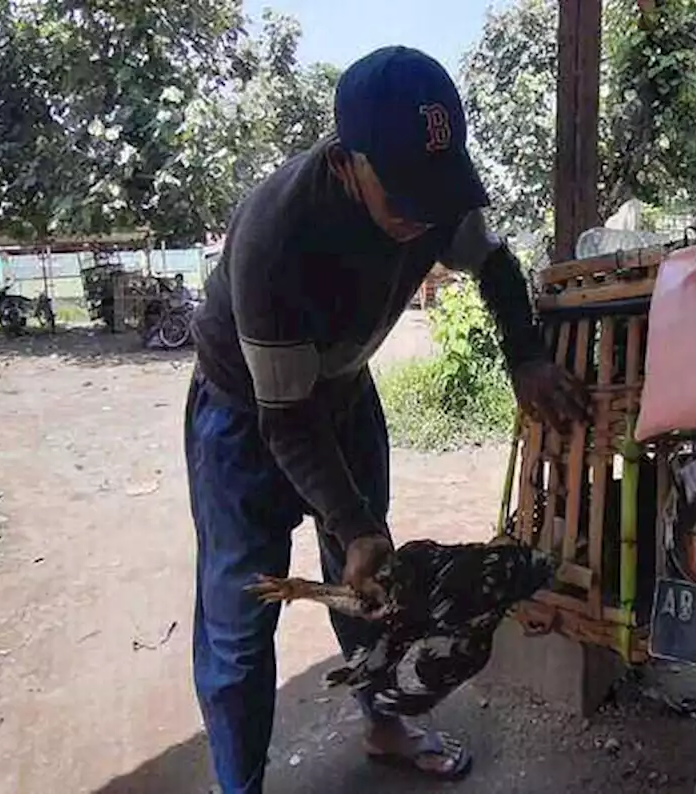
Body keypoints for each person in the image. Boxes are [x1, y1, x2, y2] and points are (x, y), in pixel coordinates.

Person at [185, 45, 588, 793]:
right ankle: (238, 785)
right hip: (247, 414)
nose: (422, 217)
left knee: (377, 584)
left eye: (432, 195)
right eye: (402, 195)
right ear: (346, 163)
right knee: (241, 617)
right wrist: (353, 519)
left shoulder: (434, 194)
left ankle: (383, 723)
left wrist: (526, 356)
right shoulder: (277, 236)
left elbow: (495, 264)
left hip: (343, 391)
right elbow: (287, 422)